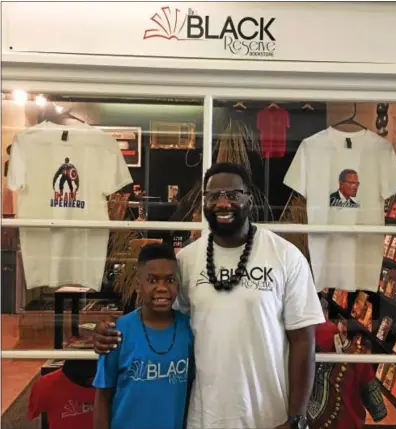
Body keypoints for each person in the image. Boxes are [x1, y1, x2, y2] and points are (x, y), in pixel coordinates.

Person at [94, 162, 325, 429]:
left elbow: (303, 341)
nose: (222, 203)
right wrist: (113, 333)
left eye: (233, 194)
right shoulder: (187, 259)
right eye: (213, 196)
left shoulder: (285, 256)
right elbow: (160, 319)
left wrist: (296, 418)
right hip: (204, 416)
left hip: (269, 415)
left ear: (249, 199)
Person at [93, 243, 194, 429]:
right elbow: (102, 395)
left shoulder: (188, 329)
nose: (162, 287)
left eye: (170, 280)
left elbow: (191, 390)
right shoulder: (117, 332)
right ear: (139, 285)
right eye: (152, 280)